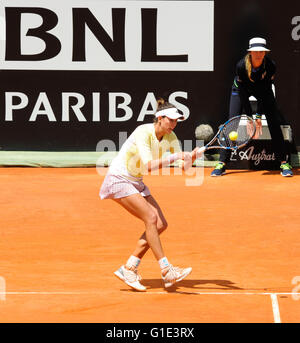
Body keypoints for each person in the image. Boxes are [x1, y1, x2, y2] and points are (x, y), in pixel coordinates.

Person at [100, 98, 200, 291]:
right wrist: (177, 156)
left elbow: (184, 168)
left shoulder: (171, 138)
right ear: (160, 118)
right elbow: (148, 166)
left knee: (161, 224)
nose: (174, 124)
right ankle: (166, 270)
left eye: (176, 121)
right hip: (119, 179)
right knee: (151, 217)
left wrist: (191, 158)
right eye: (170, 120)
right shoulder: (143, 131)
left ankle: (129, 268)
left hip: (135, 182)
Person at [211, 37, 293, 177]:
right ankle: (222, 163)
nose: (259, 54)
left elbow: (265, 92)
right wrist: (249, 117)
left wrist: (259, 117)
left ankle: (284, 163)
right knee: (232, 123)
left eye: (261, 51)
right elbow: (243, 94)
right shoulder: (241, 66)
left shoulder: (270, 66)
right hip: (240, 91)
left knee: (274, 122)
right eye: (255, 51)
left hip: (263, 91)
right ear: (250, 52)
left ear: (265, 53)